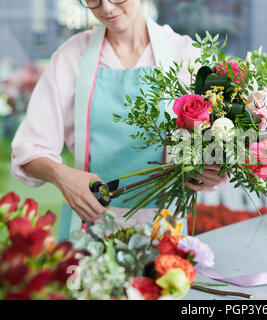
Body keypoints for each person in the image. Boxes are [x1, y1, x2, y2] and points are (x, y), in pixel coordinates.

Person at [11, 0, 228, 241]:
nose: (106, 8)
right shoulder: (71, 57)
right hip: (87, 228)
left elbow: (219, 139)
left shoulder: (184, 55)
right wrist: (62, 176)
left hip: (165, 236)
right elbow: (29, 149)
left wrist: (213, 170)